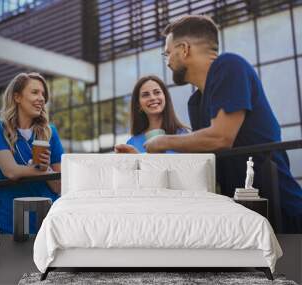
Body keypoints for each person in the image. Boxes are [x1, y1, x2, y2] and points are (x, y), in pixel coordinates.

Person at [143, 15, 302, 232]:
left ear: (184, 49)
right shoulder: (196, 101)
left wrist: (162, 142)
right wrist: (141, 157)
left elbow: (220, 138)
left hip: (280, 211)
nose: (168, 61)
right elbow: (202, 159)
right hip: (241, 216)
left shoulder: (229, 65)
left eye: (168, 53)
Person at [0, 72, 64, 234]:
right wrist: (42, 171)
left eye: (43, 94)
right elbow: (10, 171)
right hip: (13, 218)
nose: (42, 98)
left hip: (48, 218)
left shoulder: (50, 132)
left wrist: (46, 169)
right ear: (17, 97)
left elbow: (59, 185)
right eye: (35, 92)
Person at [115, 75, 188, 154]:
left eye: (157, 92)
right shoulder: (132, 143)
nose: (152, 98)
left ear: (165, 97)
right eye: (145, 95)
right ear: (138, 104)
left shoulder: (182, 135)